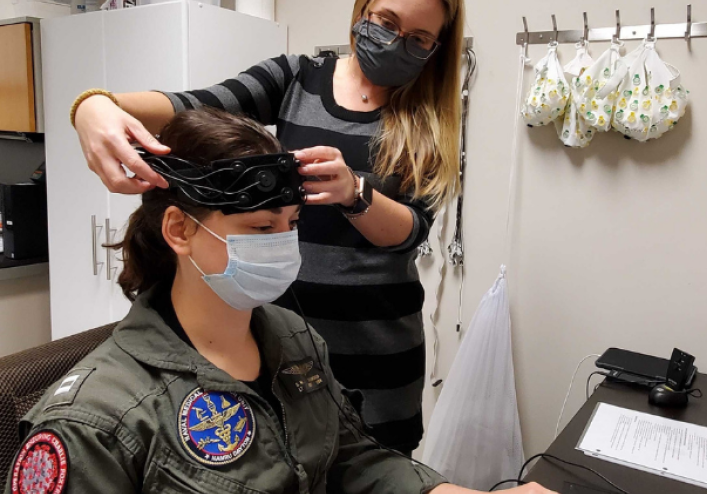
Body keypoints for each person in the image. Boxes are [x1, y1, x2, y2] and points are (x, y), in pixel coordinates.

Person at [5, 108, 556, 494]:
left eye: (290, 226)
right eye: (260, 227)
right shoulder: (95, 424)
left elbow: (347, 457)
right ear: (179, 229)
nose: (281, 246)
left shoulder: (294, 338)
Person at [75, 0, 459, 453]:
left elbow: (413, 231)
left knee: (372, 465)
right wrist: (97, 106)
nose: (395, 42)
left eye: (417, 39)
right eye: (386, 23)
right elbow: (191, 105)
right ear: (363, 11)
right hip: (281, 343)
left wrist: (355, 192)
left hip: (377, 350)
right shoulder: (295, 78)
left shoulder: (429, 118)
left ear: (437, 46)